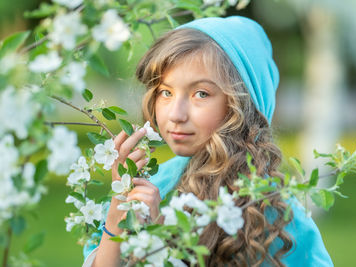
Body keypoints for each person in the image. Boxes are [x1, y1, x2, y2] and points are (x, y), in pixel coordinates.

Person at [83, 16, 334, 266]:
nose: (176, 115)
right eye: (166, 92)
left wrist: (161, 243)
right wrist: (119, 214)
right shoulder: (156, 186)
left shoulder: (270, 211)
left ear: (240, 106)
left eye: (201, 94)